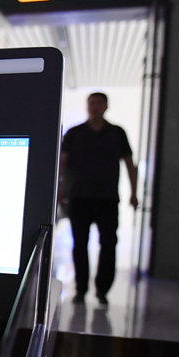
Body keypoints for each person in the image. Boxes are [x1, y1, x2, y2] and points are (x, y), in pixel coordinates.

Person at [59, 92, 138, 305]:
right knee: (79, 244)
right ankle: (81, 289)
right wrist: (59, 191)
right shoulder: (74, 133)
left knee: (109, 244)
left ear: (106, 107)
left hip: (107, 199)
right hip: (79, 198)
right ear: (87, 106)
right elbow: (61, 164)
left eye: (99, 103)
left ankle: (103, 289)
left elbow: (130, 164)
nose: (95, 107)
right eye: (92, 103)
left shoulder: (117, 133)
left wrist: (134, 192)